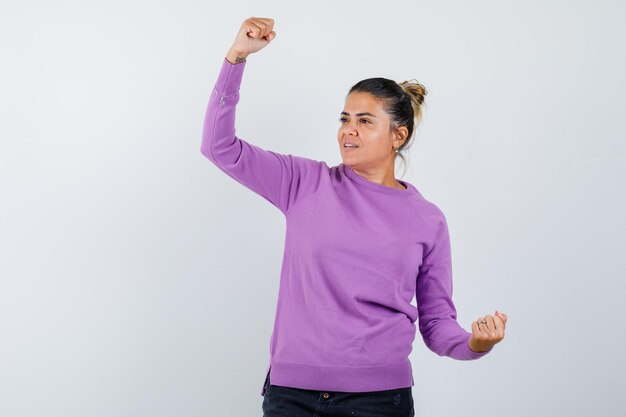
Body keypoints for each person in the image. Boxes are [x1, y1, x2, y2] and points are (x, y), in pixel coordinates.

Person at [201, 16, 508, 417]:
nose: (349, 131)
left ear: (398, 136)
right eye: (345, 119)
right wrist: (237, 58)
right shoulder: (303, 182)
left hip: (380, 402)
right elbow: (219, 147)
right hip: (291, 395)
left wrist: (475, 344)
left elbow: (436, 324)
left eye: (365, 122)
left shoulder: (427, 220)